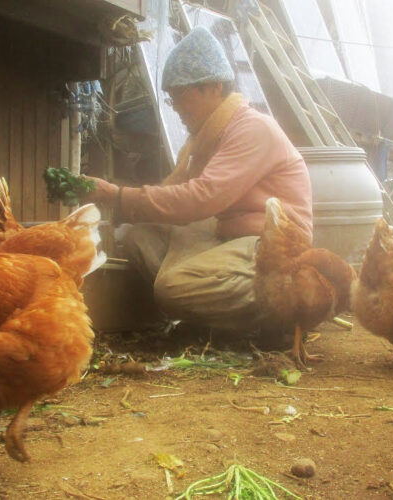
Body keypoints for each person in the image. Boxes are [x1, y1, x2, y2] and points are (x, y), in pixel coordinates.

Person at [85, 26, 312, 332]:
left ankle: (286, 303)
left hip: (272, 243)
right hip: (230, 232)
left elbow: (200, 199)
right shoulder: (203, 137)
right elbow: (175, 194)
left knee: (171, 288)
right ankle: (205, 312)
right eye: (170, 98)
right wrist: (123, 210)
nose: (175, 107)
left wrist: (119, 196)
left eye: (180, 95)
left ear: (214, 88)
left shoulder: (252, 129)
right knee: (140, 235)